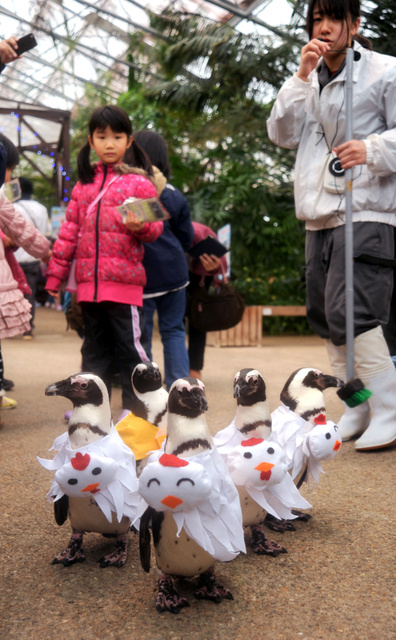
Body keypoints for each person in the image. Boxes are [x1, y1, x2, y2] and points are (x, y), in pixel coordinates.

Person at [267, 0, 396, 452]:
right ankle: (358, 403)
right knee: (326, 318)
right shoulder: (310, 78)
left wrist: (374, 148)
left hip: (366, 211)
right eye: (317, 19)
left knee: (353, 313)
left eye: (334, 18)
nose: (324, 28)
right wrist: (301, 77)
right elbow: (281, 135)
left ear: (355, 25)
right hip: (318, 215)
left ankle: (390, 408)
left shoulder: (385, 71)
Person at [46, 105, 163, 417]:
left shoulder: (139, 184)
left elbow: (155, 230)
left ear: (129, 141)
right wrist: (54, 279)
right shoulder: (82, 186)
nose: (109, 143)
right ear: (91, 141)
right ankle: (91, 416)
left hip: (124, 287)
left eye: (117, 136)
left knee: (132, 354)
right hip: (88, 289)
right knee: (93, 355)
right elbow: (68, 234)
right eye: (102, 136)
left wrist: (142, 226)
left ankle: (138, 416)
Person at [133, 130, 194, 390]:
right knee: (174, 331)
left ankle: (146, 390)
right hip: (174, 275)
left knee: (141, 336)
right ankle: (180, 387)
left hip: (142, 276)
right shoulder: (173, 194)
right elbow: (186, 237)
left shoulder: (128, 192)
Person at [0, 136, 51, 426]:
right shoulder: (3, 200)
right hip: (20, 264)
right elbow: (26, 231)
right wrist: (47, 252)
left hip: (14, 261)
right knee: (28, 293)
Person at [187, 221, 228, 380]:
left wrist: (213, 267)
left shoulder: (199, 231)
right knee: (172, 323)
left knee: (197, 320)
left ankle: (194, 368)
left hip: (200, 275)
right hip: (173, 272)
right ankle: (178, 367)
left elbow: (221, 261)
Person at [14, 177, 50, 338]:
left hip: (12, 259)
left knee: (11, 295)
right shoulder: (41, 208)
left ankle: (12, 326)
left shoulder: (12, 207)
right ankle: (27, 328)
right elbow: (46, 231)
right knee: (30, 293)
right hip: (33, 259)